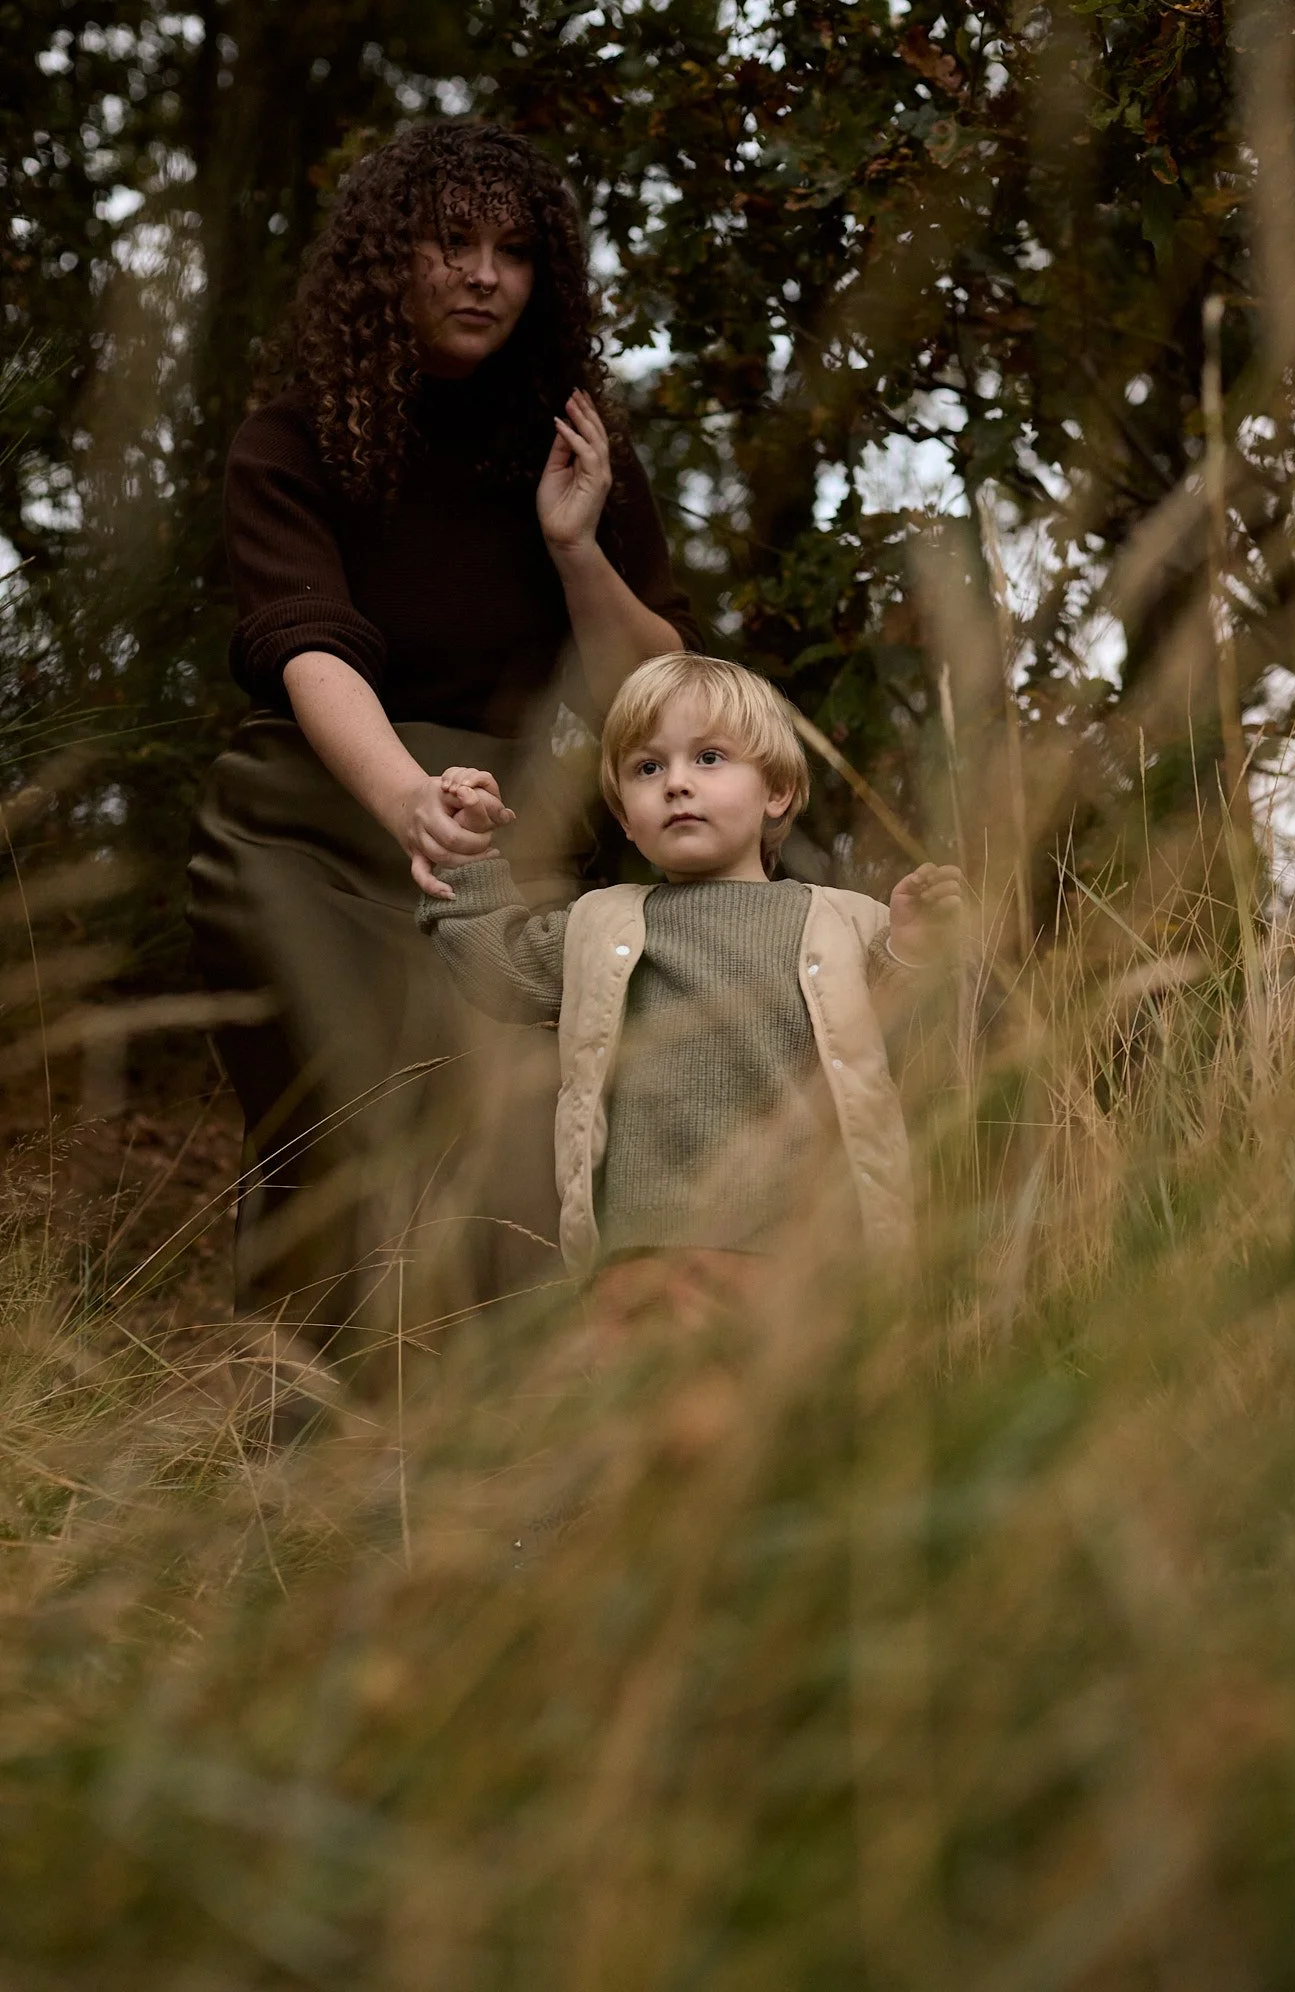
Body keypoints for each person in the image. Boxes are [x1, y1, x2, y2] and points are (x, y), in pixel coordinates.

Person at [186, 120, 697, 1368]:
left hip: (503, 835)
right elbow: (309, 643)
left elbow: (657, 681)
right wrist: (404, 795)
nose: (482, 274)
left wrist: (576, 546)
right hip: (318, 812)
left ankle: (477, 1485)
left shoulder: (574, 447)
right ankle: (312, 1449)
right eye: (450, 242)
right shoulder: (296, 436)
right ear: (387, 258)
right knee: (360, 1119)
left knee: (514, 1151)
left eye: (512, 251)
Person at [418, 652, 964, 1325]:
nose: (676, 783)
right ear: (624, 816)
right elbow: (500, 968)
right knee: (661, 1425)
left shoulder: (847, 924)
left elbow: (909, 1051)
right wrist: (465, 854)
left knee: (794, 1424)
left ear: (777, 792)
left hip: (807, 1246)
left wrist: (912, 950)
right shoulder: (603, 924)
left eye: (709, 758)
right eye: (648, 768)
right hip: (645, 1250)